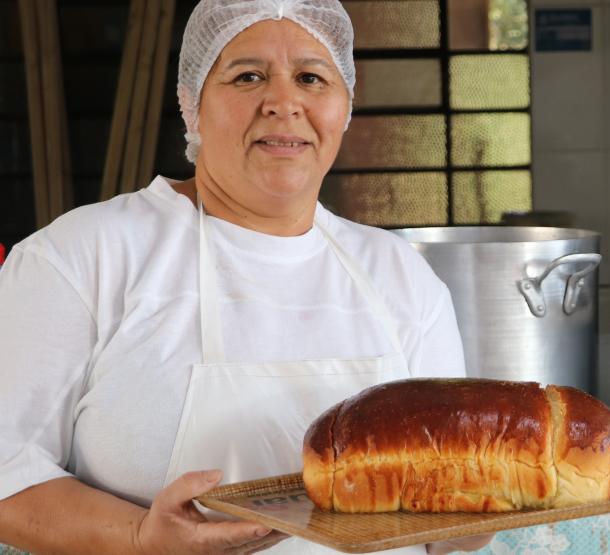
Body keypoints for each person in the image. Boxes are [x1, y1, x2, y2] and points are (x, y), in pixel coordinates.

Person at [0, 1, 493, 553]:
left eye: (311, 77)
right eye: (248, 76)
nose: (284, 102)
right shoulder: (82, 256)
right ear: (193, 105)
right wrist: (138, 538)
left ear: (344, 106)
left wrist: (479, 509)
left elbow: (448, 524)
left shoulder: (400, 274)